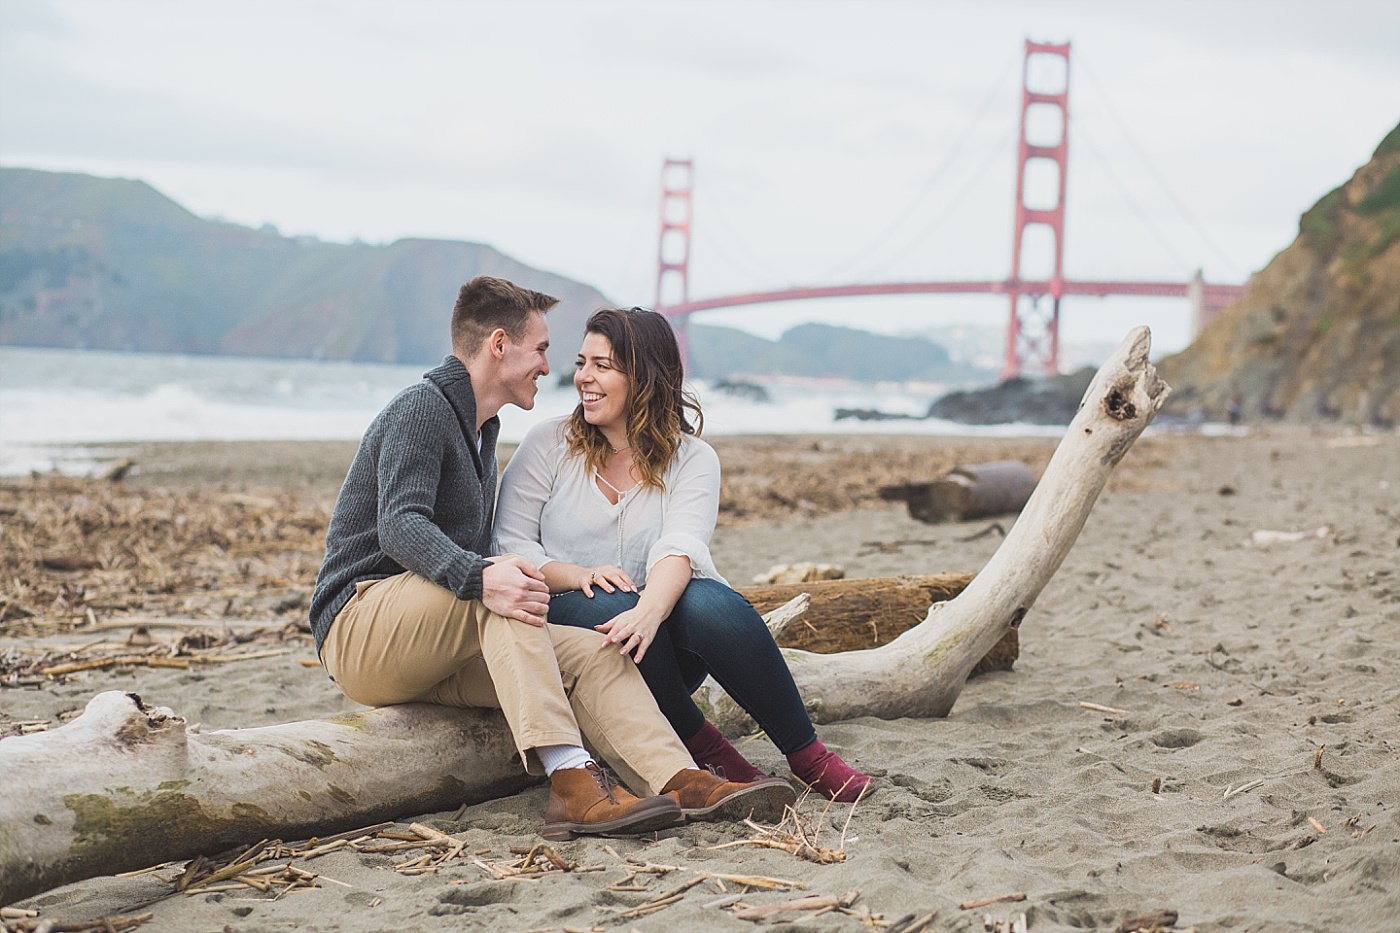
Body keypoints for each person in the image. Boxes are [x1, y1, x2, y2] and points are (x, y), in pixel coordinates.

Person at [308, 277, 795, 842]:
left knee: (589, 653)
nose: (549, 366)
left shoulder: (481, 427)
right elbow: (399, 525)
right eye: (541, 349)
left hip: (435, 646)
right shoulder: (424, 409)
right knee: (505, 583)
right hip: (361, 625)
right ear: (499, 345)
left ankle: (680, 778)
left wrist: (487, 579)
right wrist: (480, 575)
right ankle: (571, 783)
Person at [494, 306, 873, 802]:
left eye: (602, 366)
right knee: (610, 604)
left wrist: (650, 612)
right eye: (582, 362)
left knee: (712, 604)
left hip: (659, 644)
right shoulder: (548, 444)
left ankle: (808, 755)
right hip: (575, 629)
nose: (583, 377)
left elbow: (681, 547)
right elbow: (511, 545)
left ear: (645, 376)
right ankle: (704, 743)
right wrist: (579, 575)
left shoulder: (692, 458)